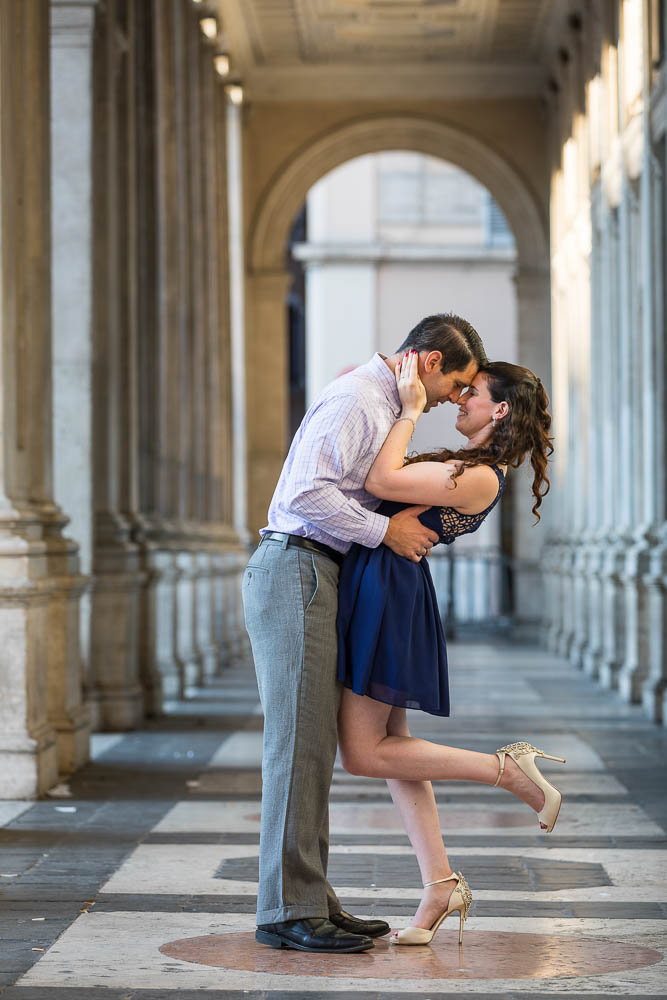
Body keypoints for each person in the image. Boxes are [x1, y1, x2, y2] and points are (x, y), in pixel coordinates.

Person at [242, 314, 487, 954]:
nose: (454, 399)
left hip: (317, 572)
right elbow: (305, 492)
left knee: (314, 746)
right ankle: (287, 911)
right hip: (297, 566)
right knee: (297, 744)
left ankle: (311, 899)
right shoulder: (361, 397)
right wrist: (386, 533)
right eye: (458, 384)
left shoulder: (379, 399)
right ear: (430, 361)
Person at [336, 350, 562, 947]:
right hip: (385, 585)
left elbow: (381, 481)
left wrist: (410, 408)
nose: (461, 398)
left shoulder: (483, 475)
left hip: (388, 593)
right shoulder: (468, 463)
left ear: (500, 409)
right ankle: (440, 882)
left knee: (363, 754)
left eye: (473, 392)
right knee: (395, 751)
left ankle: (506, 770)